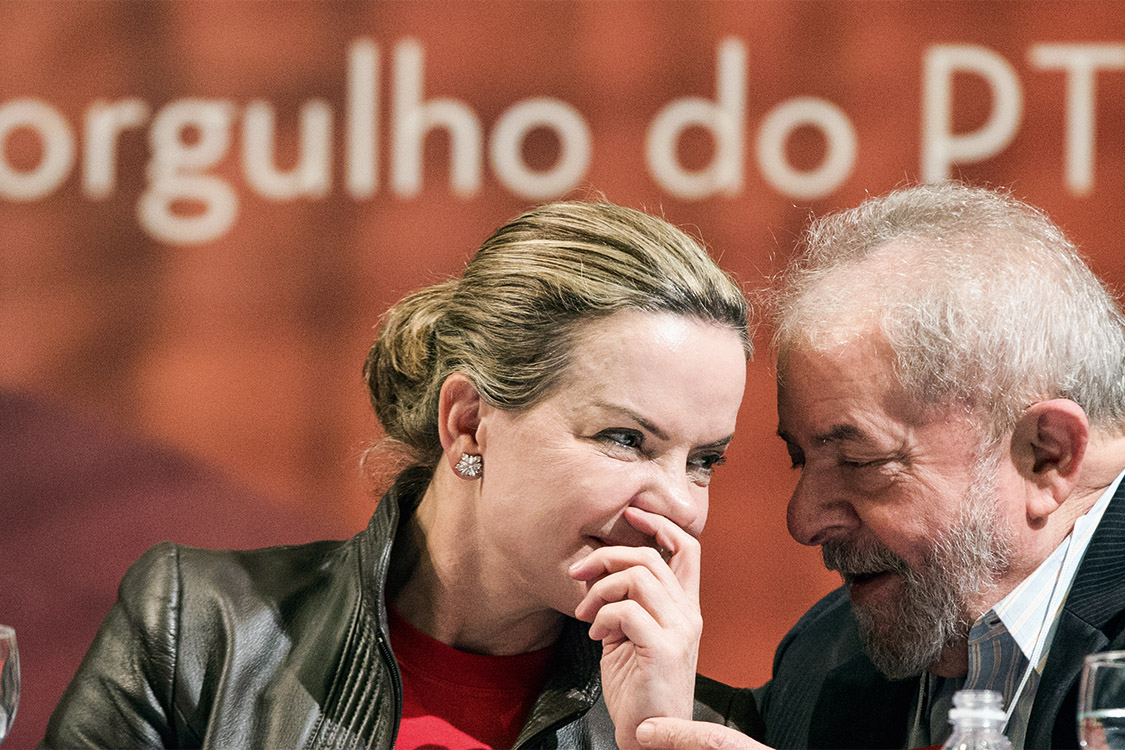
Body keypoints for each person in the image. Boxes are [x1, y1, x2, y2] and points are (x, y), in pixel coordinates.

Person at [41, 200, 760, 750]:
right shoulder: (201, 629)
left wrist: (655, 734)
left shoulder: (707, 727)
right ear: (468, 422)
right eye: (627, 439)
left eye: (703, 461)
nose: (678, 505)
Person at [636, 183, 1125, 750]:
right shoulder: (822, 660)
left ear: (1046, 454)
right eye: (800, 459)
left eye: (860, 460)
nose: (803, 520)